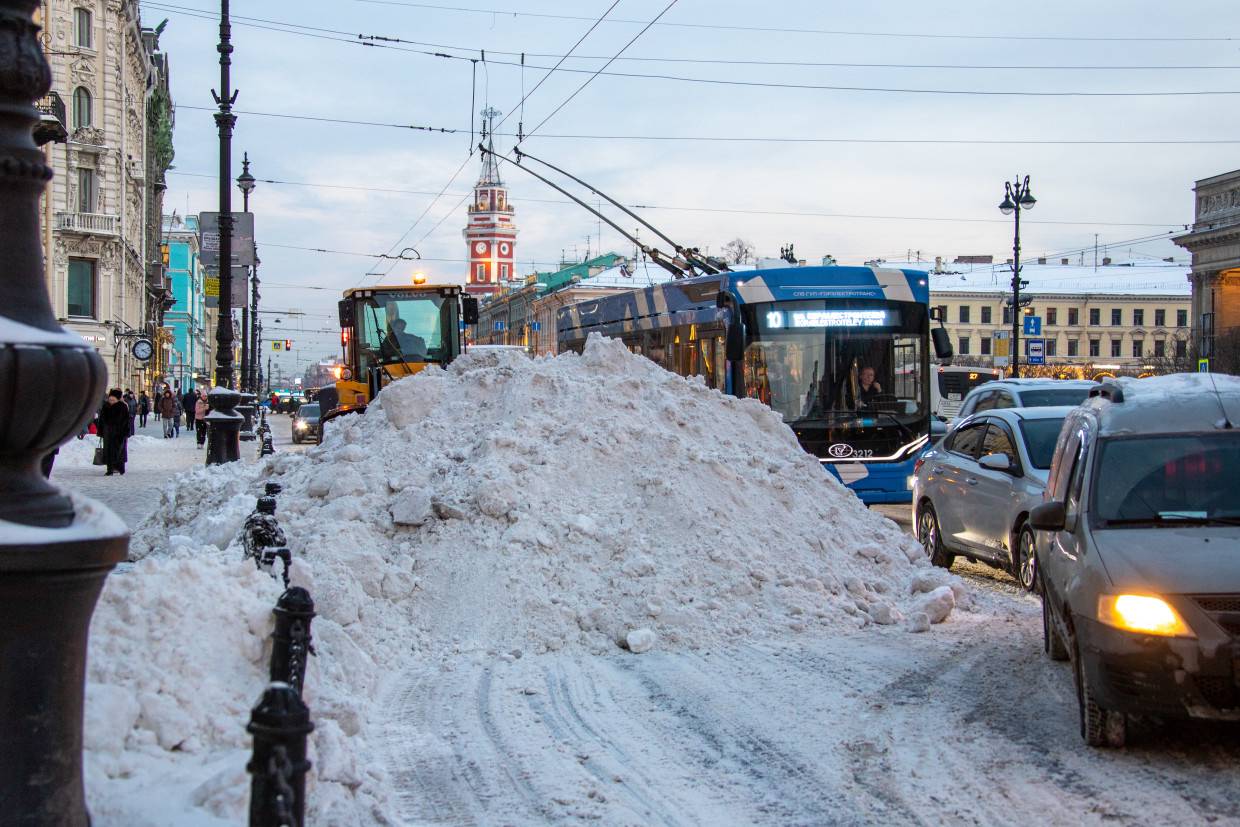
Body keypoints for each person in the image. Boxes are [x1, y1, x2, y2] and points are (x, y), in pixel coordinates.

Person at [99, 389, 130, 475]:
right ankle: (109, 470)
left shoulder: (122, 407)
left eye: (113, 400)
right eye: (110, 399)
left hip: (119, 433)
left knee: (118, 451)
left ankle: (120, 468)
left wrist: (125, 433)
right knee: (108, 451)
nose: (111, 401)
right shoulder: (106, 406)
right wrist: (101, 431)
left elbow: (126, 421)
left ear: (117, 399)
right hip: (107, 433)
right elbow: (101, 420)